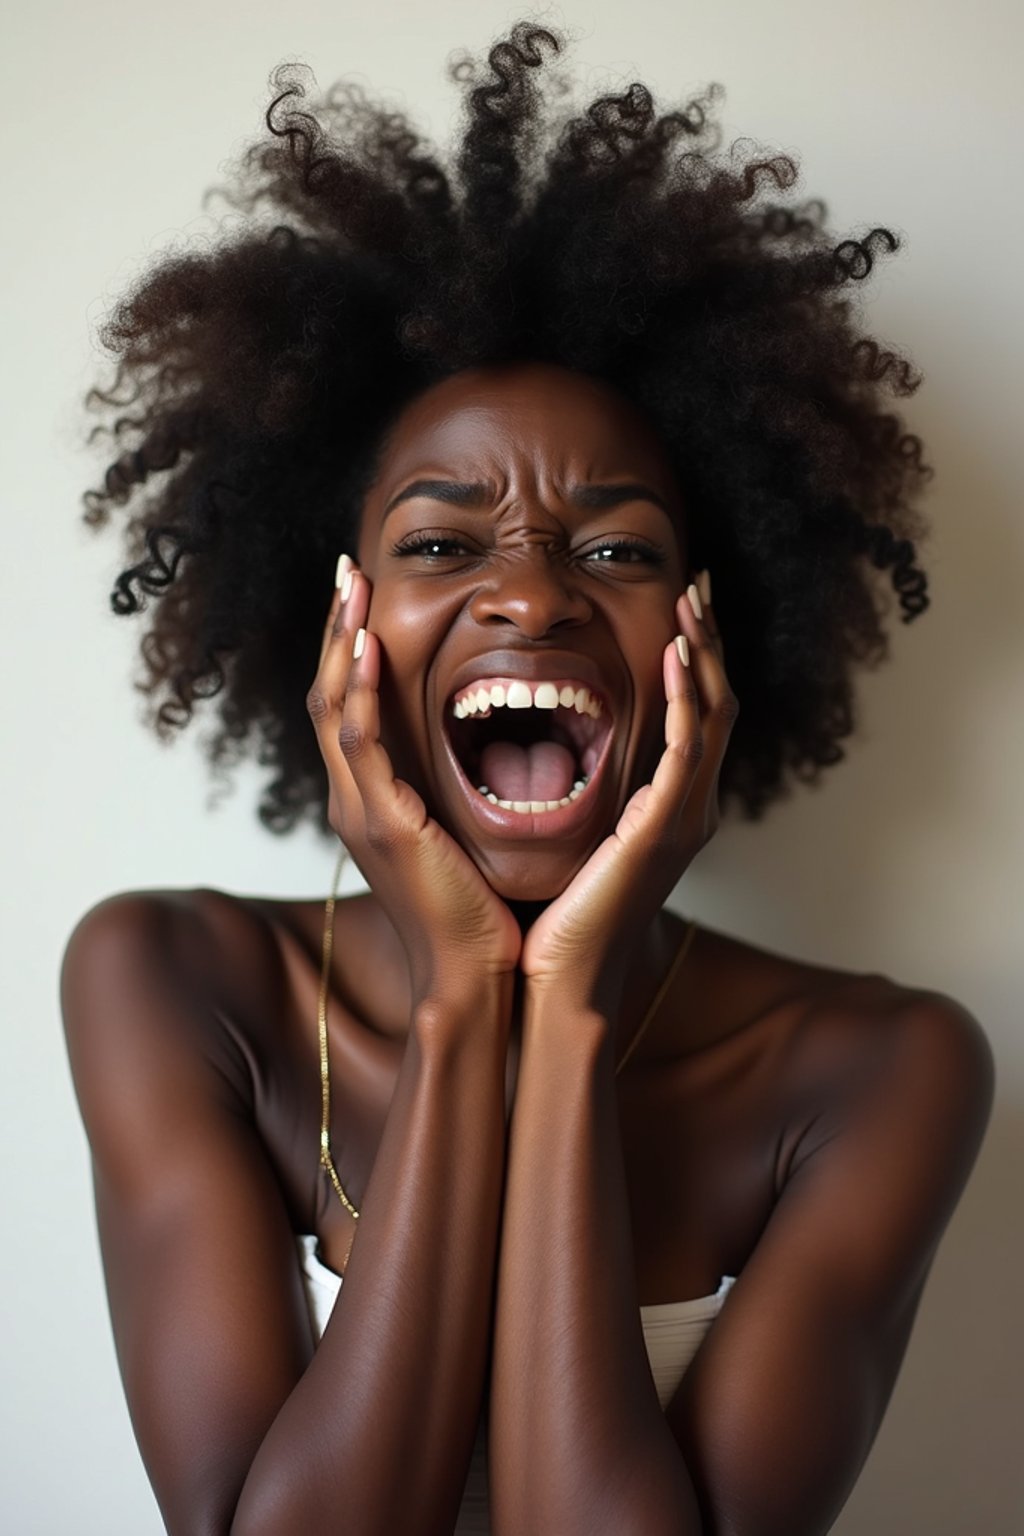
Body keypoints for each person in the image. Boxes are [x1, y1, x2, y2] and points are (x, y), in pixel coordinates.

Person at [60, 21, 995, 1536]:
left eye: (619, 549)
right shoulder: (173, 978)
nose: (534, 595)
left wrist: (559, 1009)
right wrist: (452, 1003)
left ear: (714, 631)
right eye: (442, 543)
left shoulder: (881, 1070)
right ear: (338, 624)